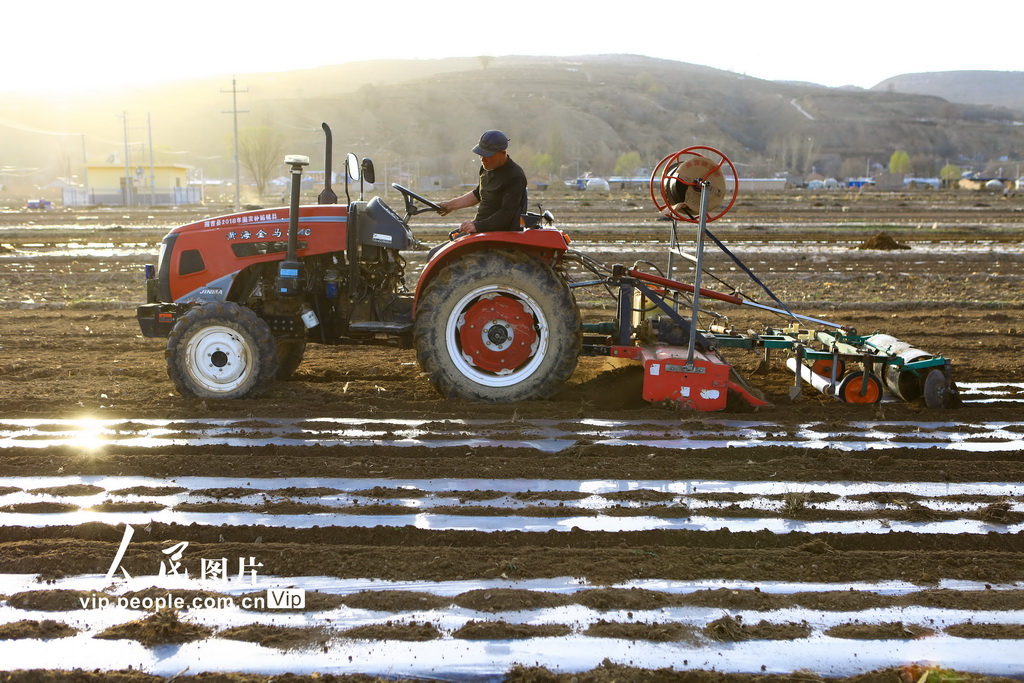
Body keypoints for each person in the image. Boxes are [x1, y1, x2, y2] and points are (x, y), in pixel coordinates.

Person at [437, 130, 527, 234]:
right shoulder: (486, 169)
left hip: (497, 232)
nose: (483, 159)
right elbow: (478, 194)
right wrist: (450, 205)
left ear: (503, 153)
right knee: (438, 250)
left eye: (488, 155)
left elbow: (507, 213)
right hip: (481, 227)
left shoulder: (515, 176)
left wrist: (477, 226)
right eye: (481, 154)